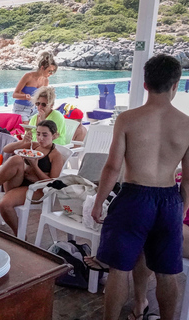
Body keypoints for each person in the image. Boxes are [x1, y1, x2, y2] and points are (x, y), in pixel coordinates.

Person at [90, 54, 189, 320]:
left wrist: (99, 201)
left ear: (145, 84)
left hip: (134, 198)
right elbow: (188, 178)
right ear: (175, 85)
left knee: (119, 269)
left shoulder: (127, 119)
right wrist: (182, 208)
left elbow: (112, 167)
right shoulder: (187, 124)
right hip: (169, 200)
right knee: (168, 273)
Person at [0, 120, 64, 235]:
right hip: (20, 181)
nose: (40, 138)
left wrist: (35, 167)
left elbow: (52, 183)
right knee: (16, 159)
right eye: (38, 134)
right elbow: (6, 149)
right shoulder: (35, 145)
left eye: (45, 135)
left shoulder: (56, 155)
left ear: (54, 136)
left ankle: (19, 235)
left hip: (37, 189)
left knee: (4, 205)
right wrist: (23, 142)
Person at [13, 51, 58, 124]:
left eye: (52, 72)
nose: (51, 74)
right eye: (49, 71)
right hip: (21, 108)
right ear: (42, 68)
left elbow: (42, 97)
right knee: (26, 129)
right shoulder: (28, 76)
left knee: (39, 127)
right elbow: (15, 94)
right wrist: (25, 96)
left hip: (35, 109)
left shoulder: (46, 81)